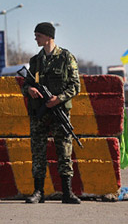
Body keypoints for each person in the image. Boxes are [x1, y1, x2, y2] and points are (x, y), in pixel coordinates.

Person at [22, 22, 81, 204]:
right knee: (38, 151)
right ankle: (38, 192)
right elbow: (26, 84)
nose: (35, 38)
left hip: (58, 110)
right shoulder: (35, 61)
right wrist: (30, 90)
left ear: (48, 37)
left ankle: (67, 192)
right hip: (39, 111)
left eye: (38, 35)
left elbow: (75, 86)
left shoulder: (65, 57)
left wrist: (59, 98)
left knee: (64, 149)